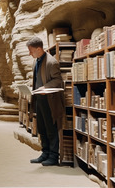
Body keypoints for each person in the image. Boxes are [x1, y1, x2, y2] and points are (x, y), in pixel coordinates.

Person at [26, 37, 65, 166]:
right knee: (42, 127)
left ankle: (53, 156)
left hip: (49, 100)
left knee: (50, 128)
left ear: (39, 49)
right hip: (39, 99)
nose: (29, 53)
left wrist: (45, 87)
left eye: (31, 51)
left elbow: (58, 80)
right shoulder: (36, 61)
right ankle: (45, 153)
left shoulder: (51, 62)